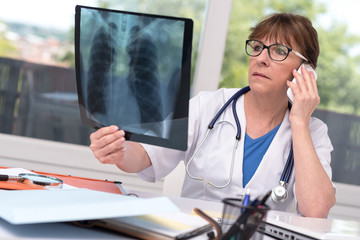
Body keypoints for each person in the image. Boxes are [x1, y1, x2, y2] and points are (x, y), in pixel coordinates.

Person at [89, 13, 336, 218]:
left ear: (305, 72)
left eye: (278, 50)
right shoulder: (207, 106)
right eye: (258, 47)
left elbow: (316, 211)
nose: (260, 58)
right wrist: (118, 148)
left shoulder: (313, 132)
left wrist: (299, 122)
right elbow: (145, 156)